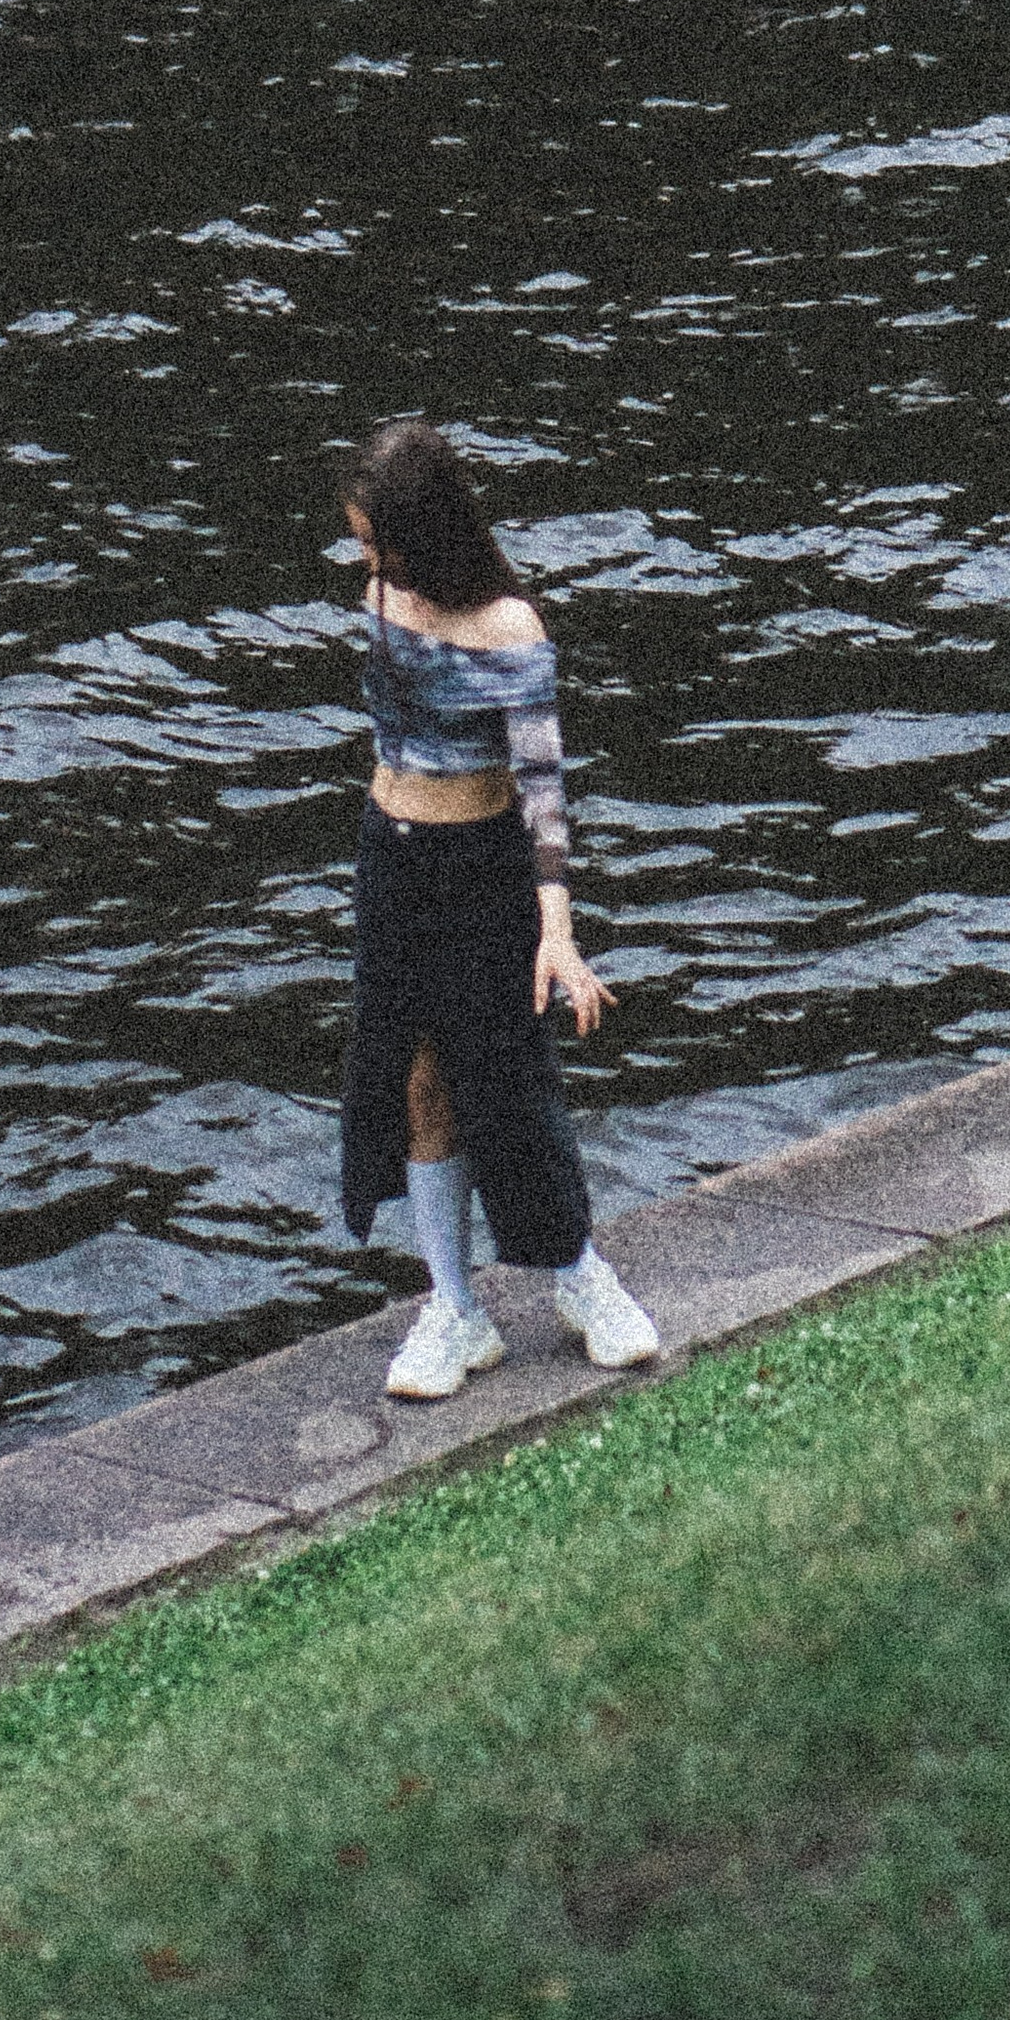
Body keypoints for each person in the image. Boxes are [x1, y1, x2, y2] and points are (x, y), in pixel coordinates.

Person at [338, 416, 660, 1400]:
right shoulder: (382, 599)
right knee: (418, 1080)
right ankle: (454, 1309)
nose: (367, 560)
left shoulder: (510, 630)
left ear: (426, 531)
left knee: (507, 1075)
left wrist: (555, 930)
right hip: (393, 861)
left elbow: (543, 792)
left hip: (481, 867)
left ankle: (577, 1275)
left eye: (378, 540)